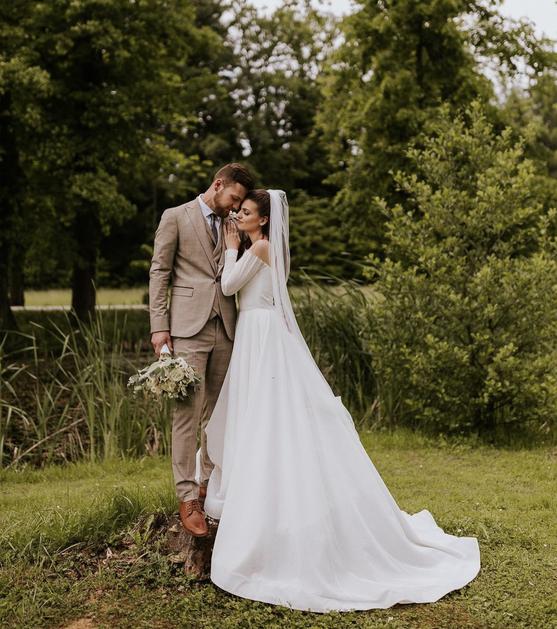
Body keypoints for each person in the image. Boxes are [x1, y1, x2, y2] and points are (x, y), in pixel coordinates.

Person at [201, 189, 481, 613]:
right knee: (258, 412)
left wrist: (230, 247)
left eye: (246, 212)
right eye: (238, 211)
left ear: (264, 220)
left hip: (261, 336)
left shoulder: (259, 247)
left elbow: (228, 285)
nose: (238, 216)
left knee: (266, 412)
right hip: (256, 335)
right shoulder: (261, 247)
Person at [148, 163, 254, 537]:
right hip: (187, 329)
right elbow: (160, 272)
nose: (236, 207)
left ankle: (208, 482)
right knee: (186, 414)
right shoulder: (175, 217)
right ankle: (187, 496)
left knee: (218, 413)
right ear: (218, 184)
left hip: (226, 327)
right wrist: (159, 326)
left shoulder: (234, 225)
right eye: (234, 198)